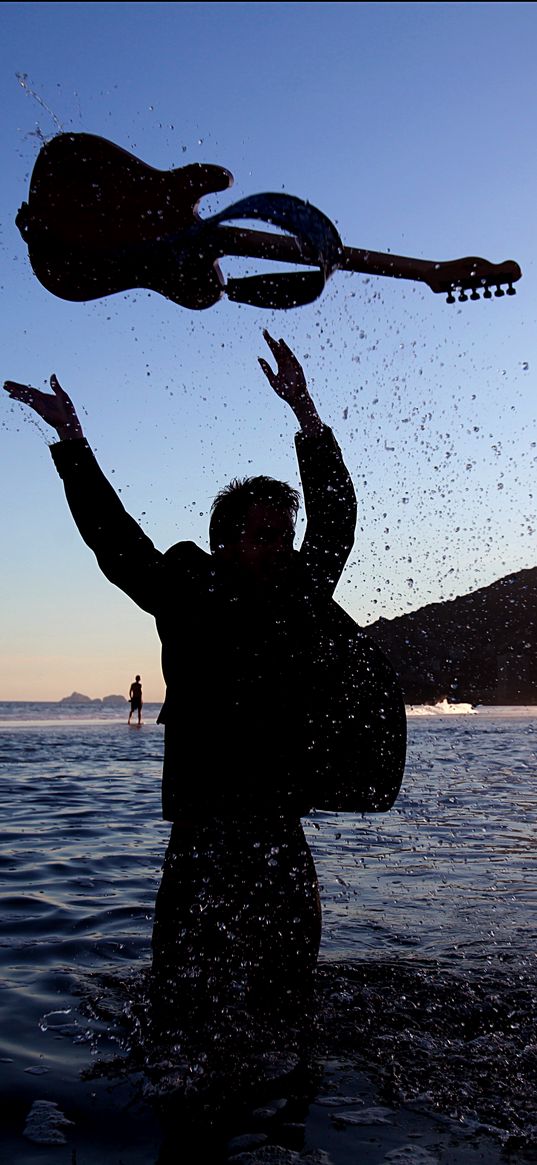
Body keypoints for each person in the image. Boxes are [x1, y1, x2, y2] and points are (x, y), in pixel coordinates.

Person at [3, 331, 405, 1032]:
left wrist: (306, 415)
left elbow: (336, 521)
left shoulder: (299, 597)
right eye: (262, 536)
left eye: (283, 534)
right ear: (225, 542)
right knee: (180, 1008)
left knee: (289, 1006)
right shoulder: (188, 593)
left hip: (279, 835)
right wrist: (71, 440)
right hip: (200, 840)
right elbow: (115, 540)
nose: (279, 548)